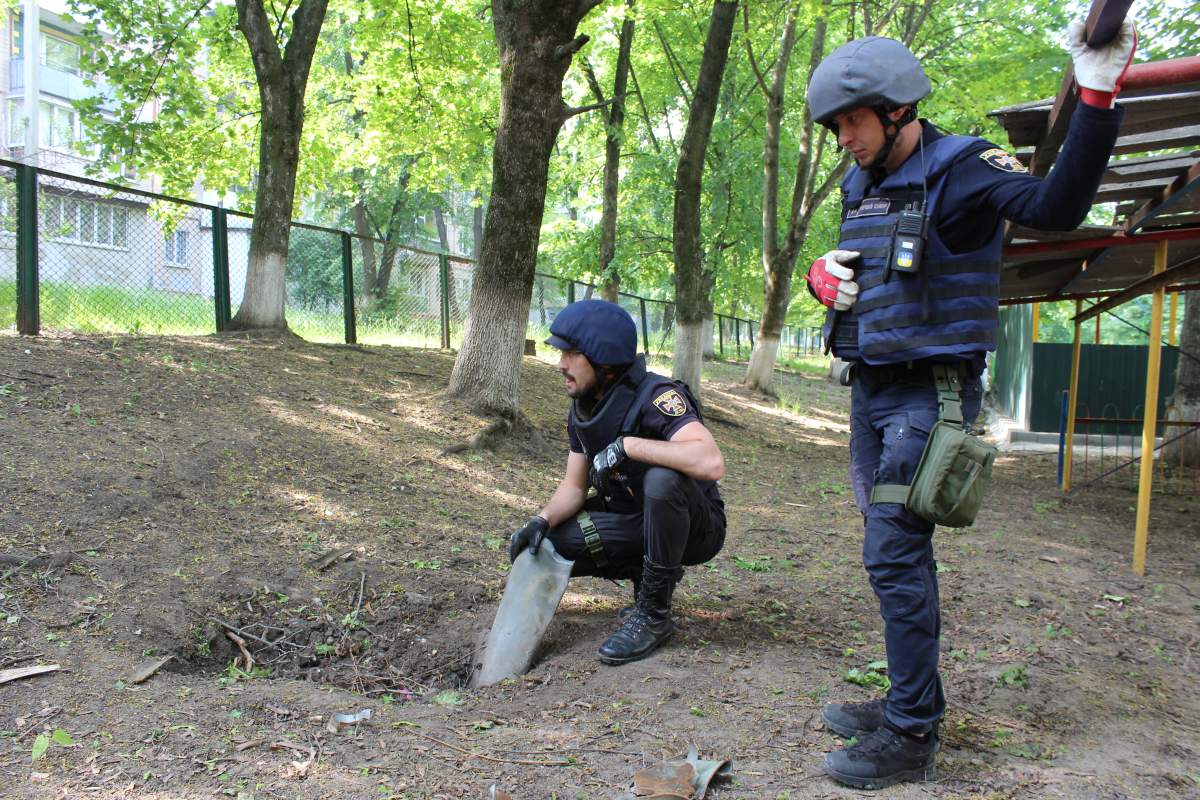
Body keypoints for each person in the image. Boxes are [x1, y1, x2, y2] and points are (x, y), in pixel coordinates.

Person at [802, 20, 1135, 790]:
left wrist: (1096, 96)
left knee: (895, 552)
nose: (842, 139)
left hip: (932, 395)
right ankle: (905, 702)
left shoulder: (966, 168)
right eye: (834, 126)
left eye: (851, 122)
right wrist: (825, 285)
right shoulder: (863, 183)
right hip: (872, 391)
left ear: (895, 112)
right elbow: (872, 280)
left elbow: (1057, 204)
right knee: (891, 557)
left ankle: (912, 733)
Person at [507, 299, 727, 665]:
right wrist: (541, 520)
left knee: (662, 479)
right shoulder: (585, 409)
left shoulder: (658, 397)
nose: (561, 364)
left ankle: (653, 615)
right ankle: (643, 576)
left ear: (602, 357)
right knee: (551, 543)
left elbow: (710, 460)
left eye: (571, 353)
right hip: (634, 522)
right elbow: (574, 488)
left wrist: (630, 446)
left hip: (695, 528)